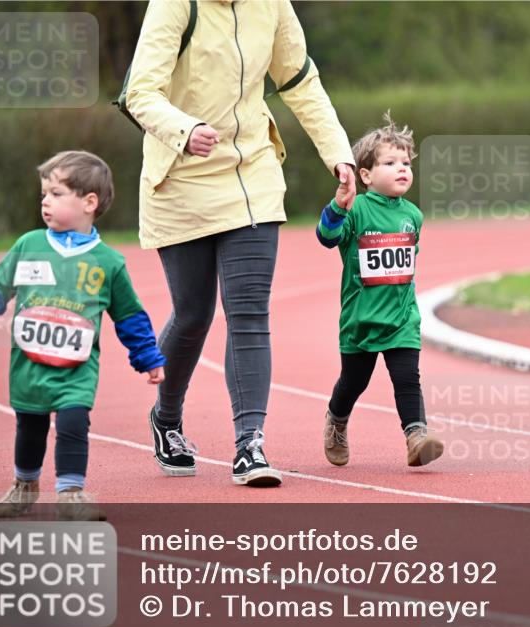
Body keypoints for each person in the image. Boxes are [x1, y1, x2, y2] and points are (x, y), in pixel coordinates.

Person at [125, 0, 356, 485]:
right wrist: (184, 130)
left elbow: (300, 81)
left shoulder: (271, 4)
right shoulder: (173, 4)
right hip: (181, 175)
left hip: (252, 172)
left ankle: (249, 445)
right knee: (193, 314)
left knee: (249, 311)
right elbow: (140, 93)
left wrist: (340, 154)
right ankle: (166, 419)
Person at [0, 151, 166, 519]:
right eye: (43, 195)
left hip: (77, 369)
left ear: (89, 202)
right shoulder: (29, 245)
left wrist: (147, 357)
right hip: (29, 364)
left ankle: (71, 492)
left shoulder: (109, 262)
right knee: (31, 425)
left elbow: (129, 315)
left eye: (55, 193)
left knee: (72, 423)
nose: (45, 202)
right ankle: (25, 484)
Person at [316, 114, 444, 468]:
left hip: (402, 318)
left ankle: (416, 436)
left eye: (406, 163)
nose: (402, 169)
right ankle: (336, 420)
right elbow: (326, 239)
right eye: (390, 163)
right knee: (353, 382)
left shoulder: (413, 216)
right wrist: (335, 208)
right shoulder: (355, 209)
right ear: (366, 175)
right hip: (361, 319)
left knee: (407, 378)